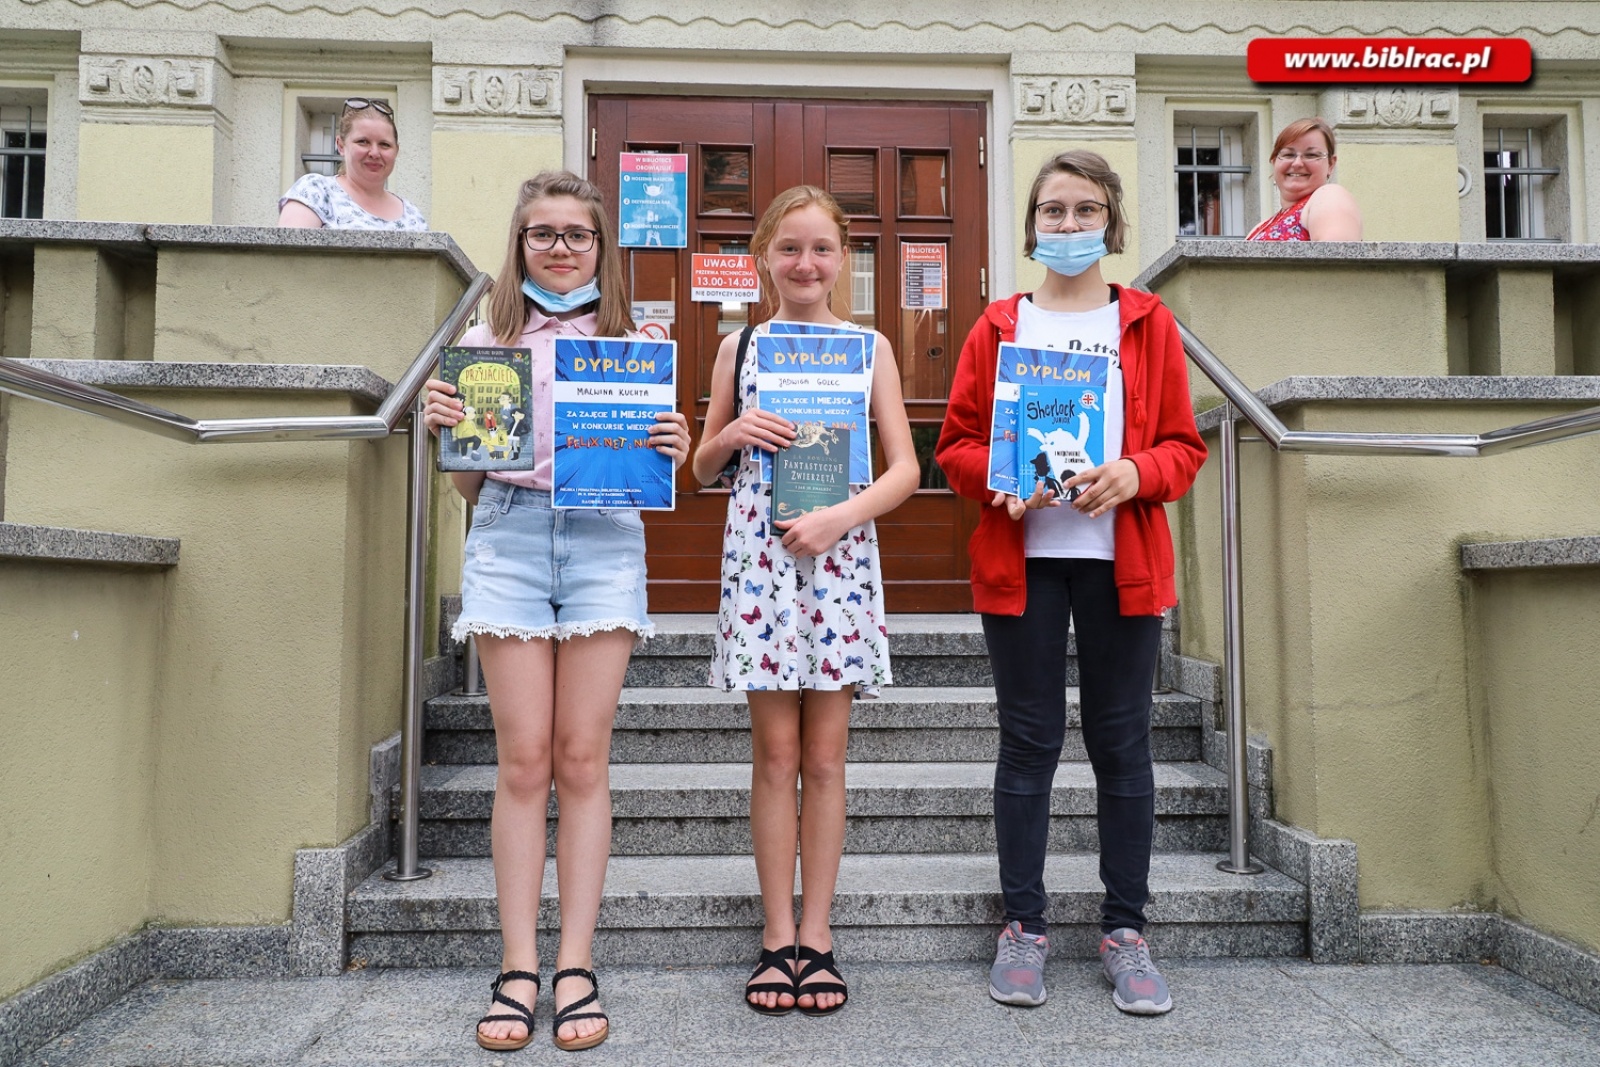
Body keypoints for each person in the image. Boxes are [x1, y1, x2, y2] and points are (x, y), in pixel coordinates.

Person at [420, 171, 691, 1052]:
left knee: (581, 756)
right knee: (523, 759)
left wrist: (674, 445)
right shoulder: (484, 336)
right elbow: (465, 484)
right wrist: (447, 431)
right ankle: (518, 965)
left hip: (607, 539)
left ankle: (575, 964)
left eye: (576, 234)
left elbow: (662, 477)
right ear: (519, 242)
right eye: (543, 233)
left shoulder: (637, 340)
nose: (561, 247)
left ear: (601, 248)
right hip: (506, 535)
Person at [934, 151, 1206, 1015]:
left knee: (1122, 745)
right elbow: (956, 445)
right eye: (1052, 212)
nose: (1067, 226)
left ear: (1111, 223)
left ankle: (1126, 931)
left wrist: (1135, 471)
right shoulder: (999, 324)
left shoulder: (1147, 320)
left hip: (1119, 564)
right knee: (1029, 744)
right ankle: (1025, 927)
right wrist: (996, 479)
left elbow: (1183, 447)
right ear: (1032, 225)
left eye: (1085, 211)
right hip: (1025, 561)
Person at [690, 186, 919, 1017]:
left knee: (825, 758)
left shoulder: (869, 347)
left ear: (843, 258)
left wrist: (838, 519)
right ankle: (775, 934)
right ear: (763, 258)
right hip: (758, 559)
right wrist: (731, 435)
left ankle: (817, 935)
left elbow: (905, 468)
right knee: (774, 756)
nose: (805, 264)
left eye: (821, 248)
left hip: (838, 554)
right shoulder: (738, 346)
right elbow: (701, 471)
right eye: (789, 248)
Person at [277, 98, 427, 230]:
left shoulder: (412, 216)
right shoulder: (315, 192)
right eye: (363, 142)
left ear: (396, 150)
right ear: (341, 145)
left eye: (384, 144)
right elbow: (288, 258)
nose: (374, 153)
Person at [1246, 117, 1362, 241]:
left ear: (1331, 164)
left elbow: (1337, 257)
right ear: (1274, 162)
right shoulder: (1261, 227)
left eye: (1311, 155)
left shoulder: (1331, 197)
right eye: (1288, 155)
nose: (1297, 163)